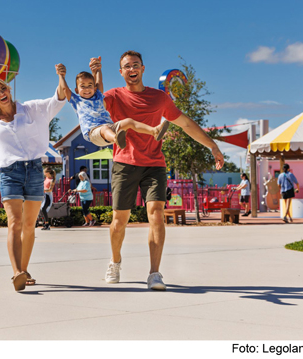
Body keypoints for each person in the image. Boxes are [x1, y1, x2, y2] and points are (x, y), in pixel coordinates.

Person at [91, 52, 224, 291]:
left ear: (142, 68)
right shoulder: (114, 96)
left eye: (135, 65)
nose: (131, 69)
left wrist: (211, 145)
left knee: (156, 213)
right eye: (126, 67)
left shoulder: (159, 98)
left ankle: (154, 273)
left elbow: (184, 123)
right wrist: (96, 74)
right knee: (119, 221)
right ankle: (115, 261)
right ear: (121, 72)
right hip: (124, 163)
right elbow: (95, 102)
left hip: (154, 164)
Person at [0, 66, 67, 292]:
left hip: (35, 171)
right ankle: (16, 272)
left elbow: (56, 100)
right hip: (9, 173)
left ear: (9, 90)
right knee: (15, 223)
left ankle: (24, 270)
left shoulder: (31, 109)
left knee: (30, 225)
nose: (2, 93)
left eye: (3, 88)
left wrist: (61, 77)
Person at [59, 67, 168, 148]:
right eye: (83, 86)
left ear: (94, 87)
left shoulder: (98, 96)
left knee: (129, 121)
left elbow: (99, 82)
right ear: (77, 90)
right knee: (105, 129)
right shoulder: (77, 100)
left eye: (89, 86)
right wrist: (61, 76)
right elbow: (65, 90)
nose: (87, 89)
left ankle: (154, 131)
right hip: (93, 133)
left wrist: (98, 69)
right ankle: (117, 139)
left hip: (110, 127)